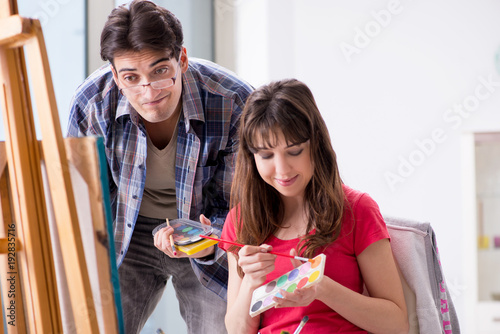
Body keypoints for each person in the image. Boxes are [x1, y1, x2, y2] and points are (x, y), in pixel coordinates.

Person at [67, 0, 253, 333]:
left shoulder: (234, 101)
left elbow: (241, 205)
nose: (148, 91)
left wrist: (206, 236)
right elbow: (84, 204)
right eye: (131, 77)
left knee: (226, 328)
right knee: (92, 326)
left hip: (208, 230)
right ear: (115, 76)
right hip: (126, 231)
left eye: (160, 72)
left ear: (180, 59)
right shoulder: (92, 104)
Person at [219, 79, 409, 334]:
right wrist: (251, 281)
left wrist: (322, 288)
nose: (282, 169)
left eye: (294, 151)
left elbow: (396, 325)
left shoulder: (356, 209)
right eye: (266, 155)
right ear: (252, 158)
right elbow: (237, 331)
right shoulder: (241, 221)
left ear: (316, 144)